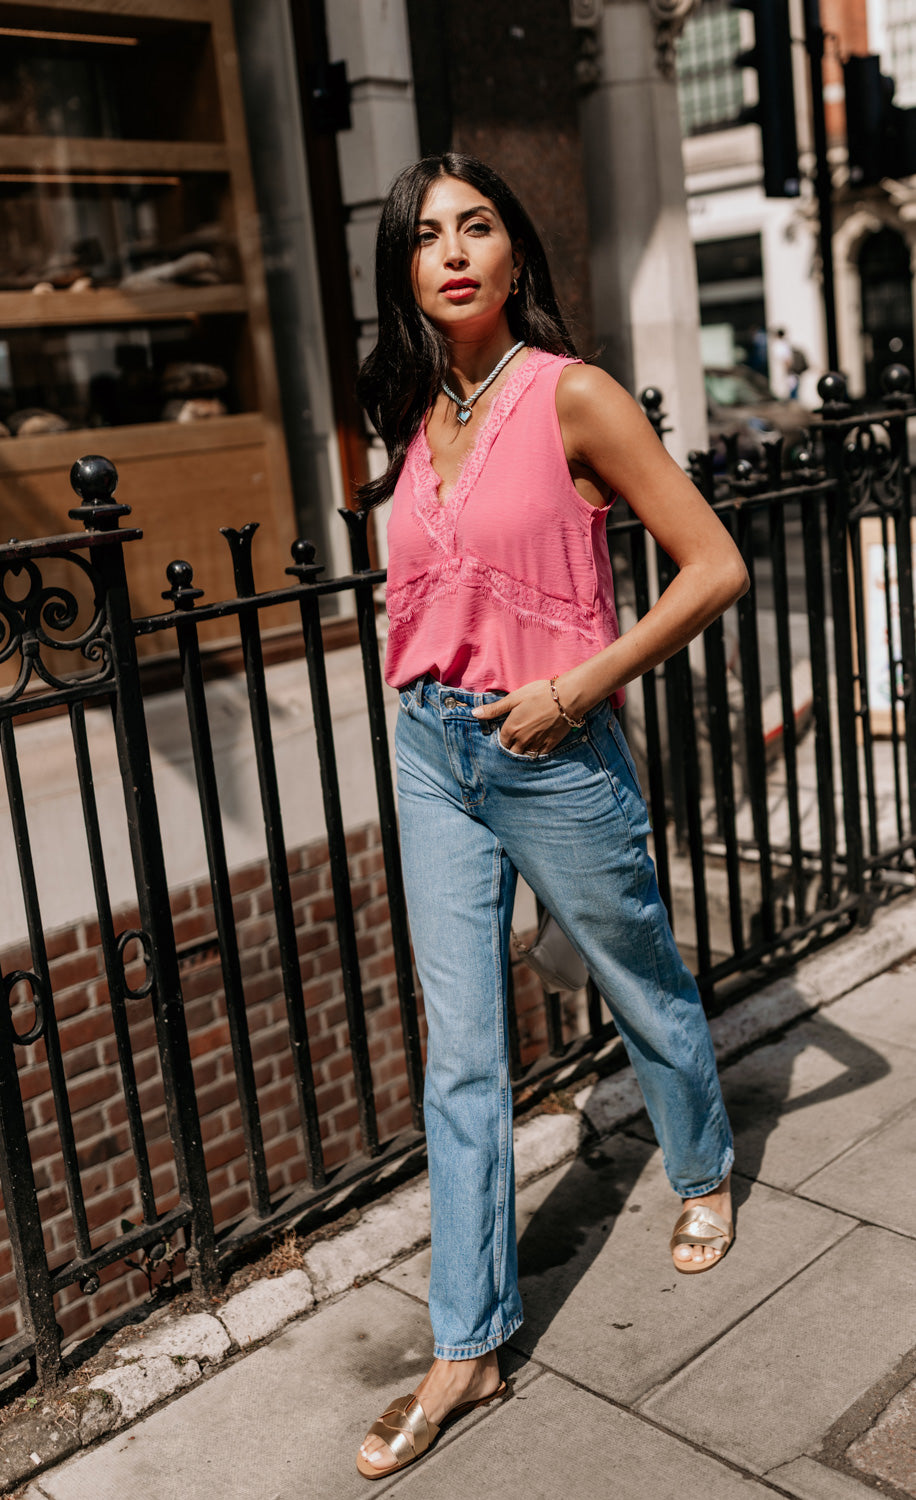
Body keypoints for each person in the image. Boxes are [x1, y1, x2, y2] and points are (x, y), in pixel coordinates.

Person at [354, 153, 748, 1481]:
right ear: (402, 270)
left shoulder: (572, 396)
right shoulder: (413, 415)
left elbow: (715, 567)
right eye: (425, 235)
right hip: (431, 750)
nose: (452, 251)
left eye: (477, 227)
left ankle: (700, 1167)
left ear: (517, 252)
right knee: (462, 1052)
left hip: (552, 744)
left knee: (637, 979)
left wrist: (576, 684)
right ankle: (465, 1345)